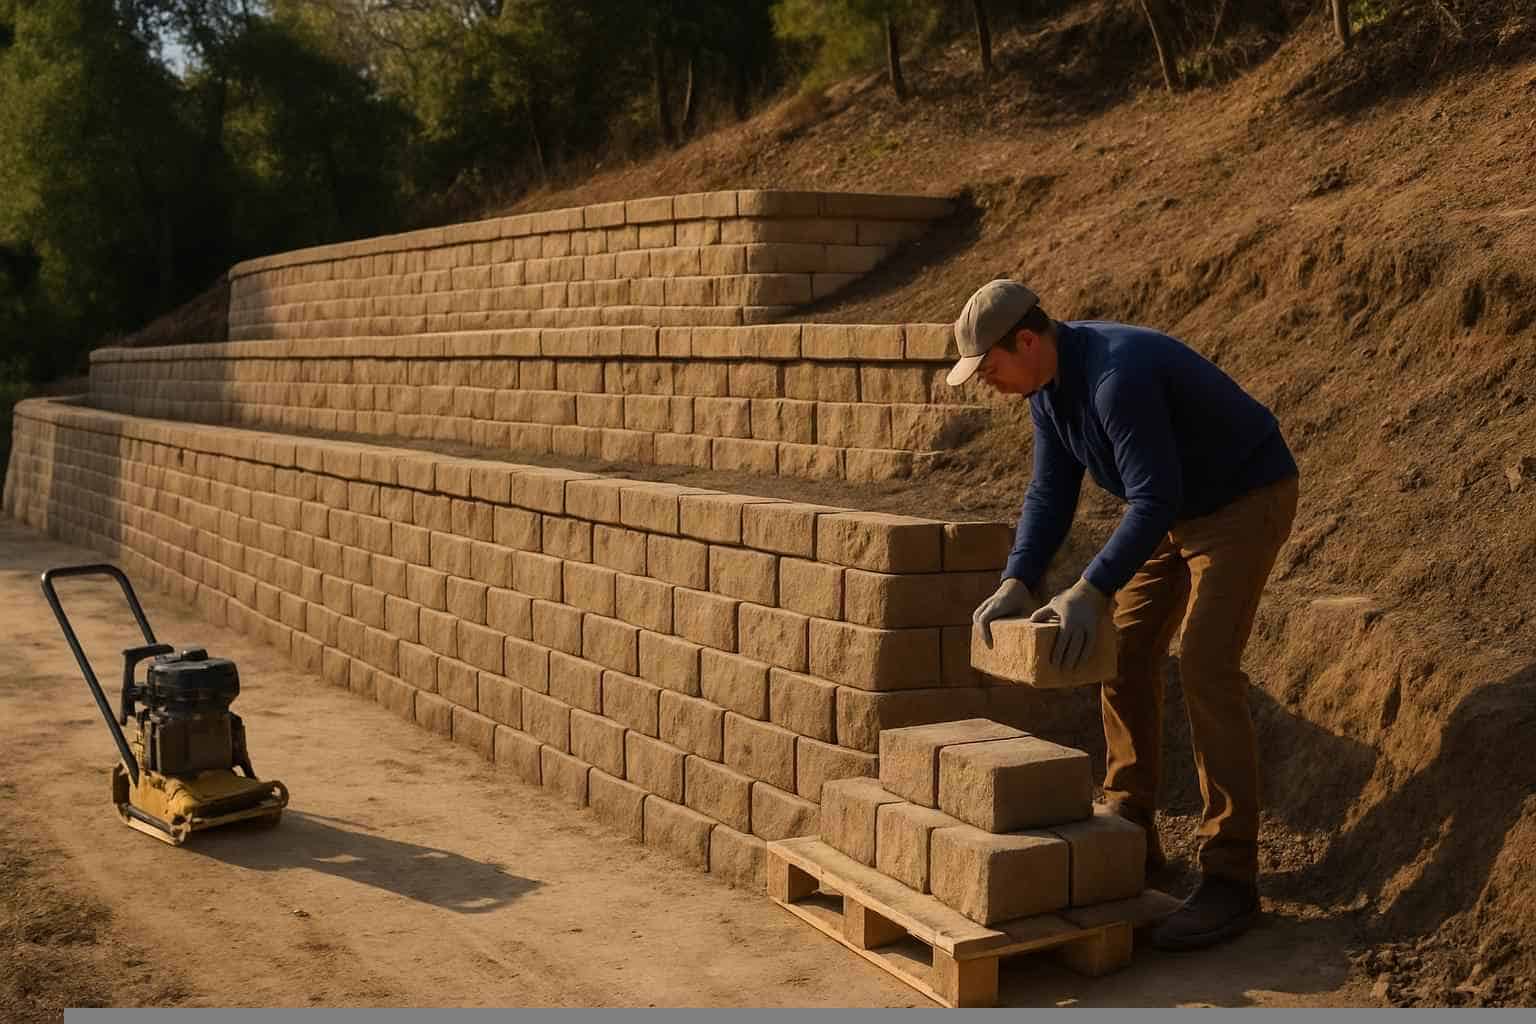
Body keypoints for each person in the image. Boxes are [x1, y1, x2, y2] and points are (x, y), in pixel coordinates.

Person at [952, 279, 1300, 951]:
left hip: (1243, 497)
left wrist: (1090, 589)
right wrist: (1019, 578)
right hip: (1176, 507)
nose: (986, 382)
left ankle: (1231, 876)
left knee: (1205, 663)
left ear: (1026, 341)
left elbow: (1153, 495)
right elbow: (1050, 491)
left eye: (988, 367)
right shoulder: (1046, 390)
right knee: (1125, 648)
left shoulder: (1116, 378)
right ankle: (1130, 827)